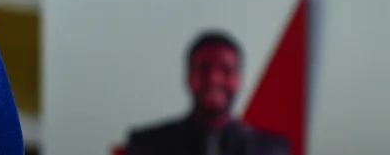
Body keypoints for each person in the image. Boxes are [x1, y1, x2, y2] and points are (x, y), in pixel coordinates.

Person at [124, 31, 290, 155]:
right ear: (189, 77)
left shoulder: (270, 150)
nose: (214, 79)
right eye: (203, 69)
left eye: (226, 70)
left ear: (239, 79)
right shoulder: (147, 146)